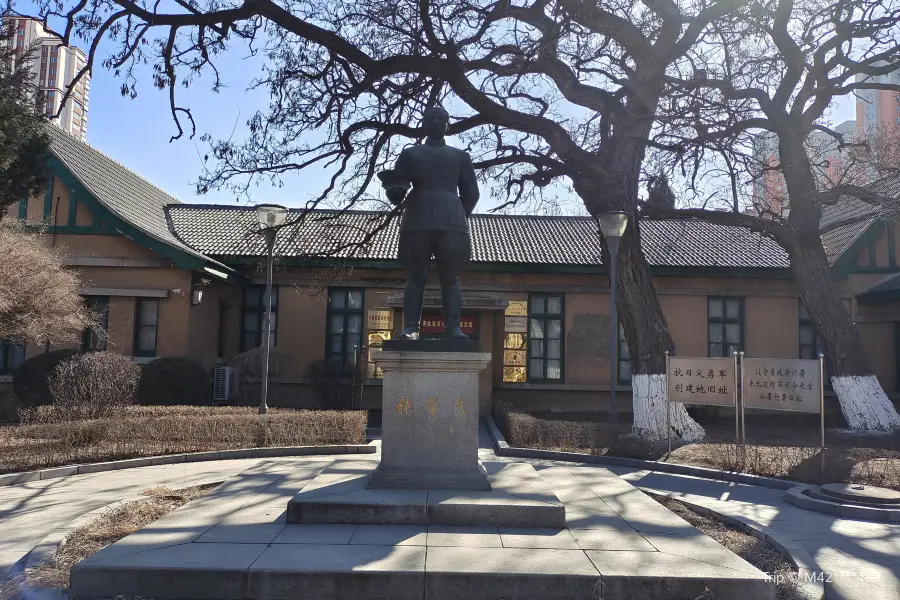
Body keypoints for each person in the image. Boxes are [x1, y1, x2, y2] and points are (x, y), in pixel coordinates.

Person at [380, 106, 480, 340]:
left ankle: (453, 327)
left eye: (441, 118)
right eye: (431, 118)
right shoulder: (410, 154)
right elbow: (398, 187)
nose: (436, 122)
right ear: (424, 123)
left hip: (450, 222)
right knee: (415, 276)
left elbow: (472, 193)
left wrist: (456, 214)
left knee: (451, 278)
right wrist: (394, 191)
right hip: (418, 220)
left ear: (448, 124)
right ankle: (411, 327)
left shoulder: (461, 157)